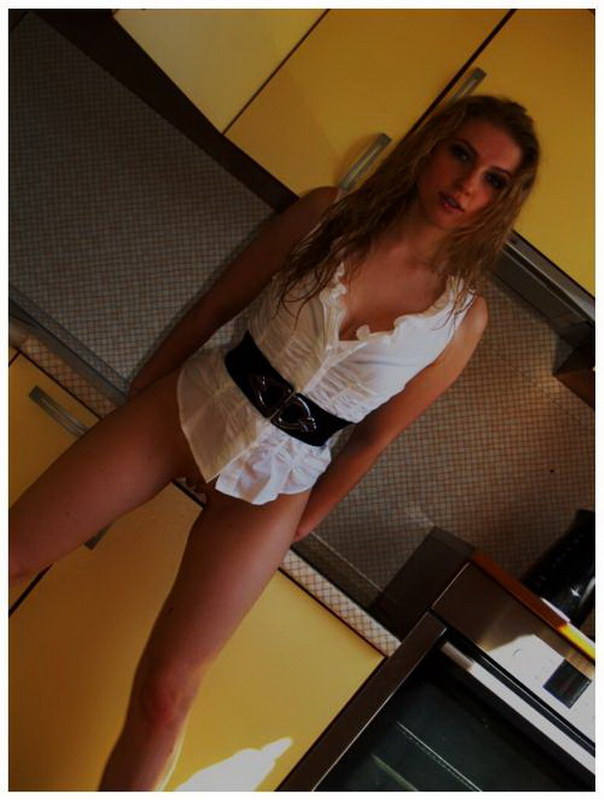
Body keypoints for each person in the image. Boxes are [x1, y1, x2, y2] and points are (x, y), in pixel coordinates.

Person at [9, 94, 539, 790]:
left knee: (168, 693)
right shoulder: (327, 214)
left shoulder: (462, 320)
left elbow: (373, 439)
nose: (467, 184)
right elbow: (216, 305)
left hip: (285, 475)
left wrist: (300, 524)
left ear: (503, 201)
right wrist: (142, 396)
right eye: (461, 154)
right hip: (195, 402)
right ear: (430, 147)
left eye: (494, 179)